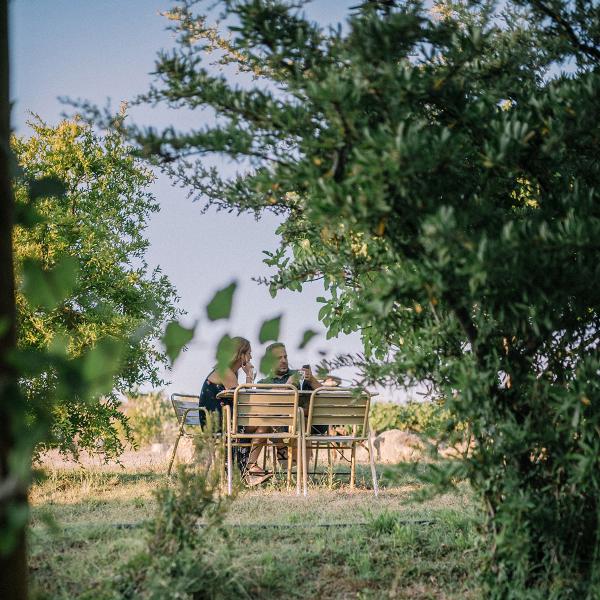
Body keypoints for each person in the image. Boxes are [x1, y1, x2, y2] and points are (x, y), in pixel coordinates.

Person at [198, 336, 271, 486]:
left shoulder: (229, 372)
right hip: (219, 423)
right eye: (249, 353)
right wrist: (249, 376)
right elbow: (244, 402)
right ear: (241, 354)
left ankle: (248, 469)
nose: (251, 356)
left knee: (262, 423)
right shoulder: (226, 372)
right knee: (264, 424)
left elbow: (242, 401)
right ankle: (249, 470)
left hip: (223, 419)